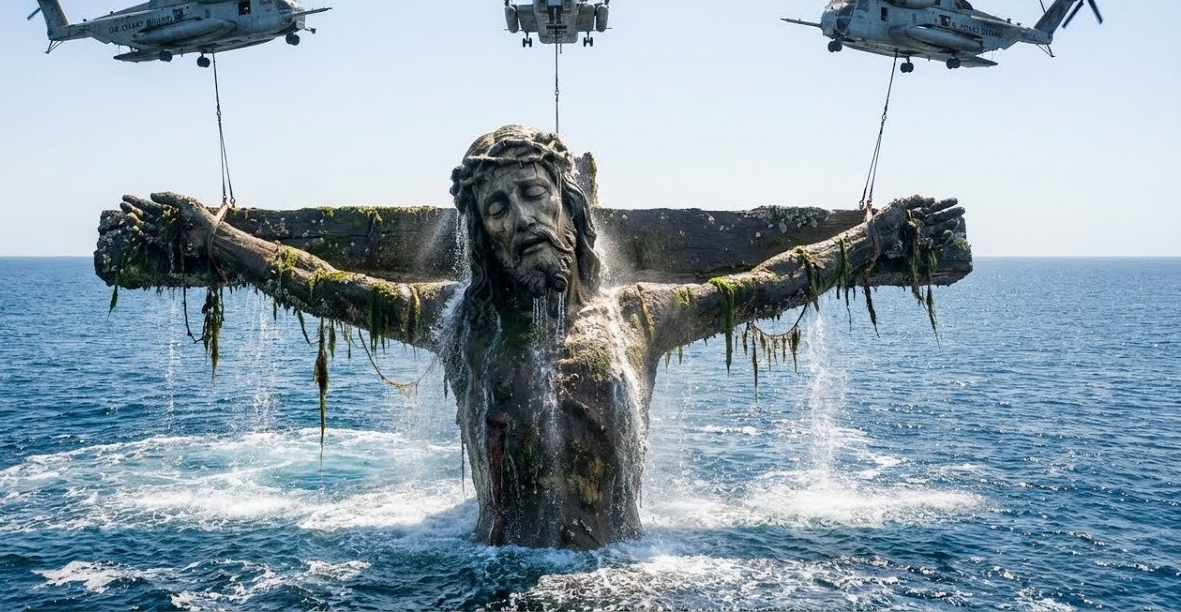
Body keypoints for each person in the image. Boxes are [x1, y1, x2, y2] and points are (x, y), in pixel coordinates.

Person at [118, 124, 966, 549]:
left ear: (570, 206)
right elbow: (327, 288)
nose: (522, 219)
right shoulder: (455, 325)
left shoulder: (638, 317)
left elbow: (770, 284)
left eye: (536, 196)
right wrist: (216, 236)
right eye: (499, 207)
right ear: (478, 234)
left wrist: (875, 237)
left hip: (621, 580)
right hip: (490, 581)